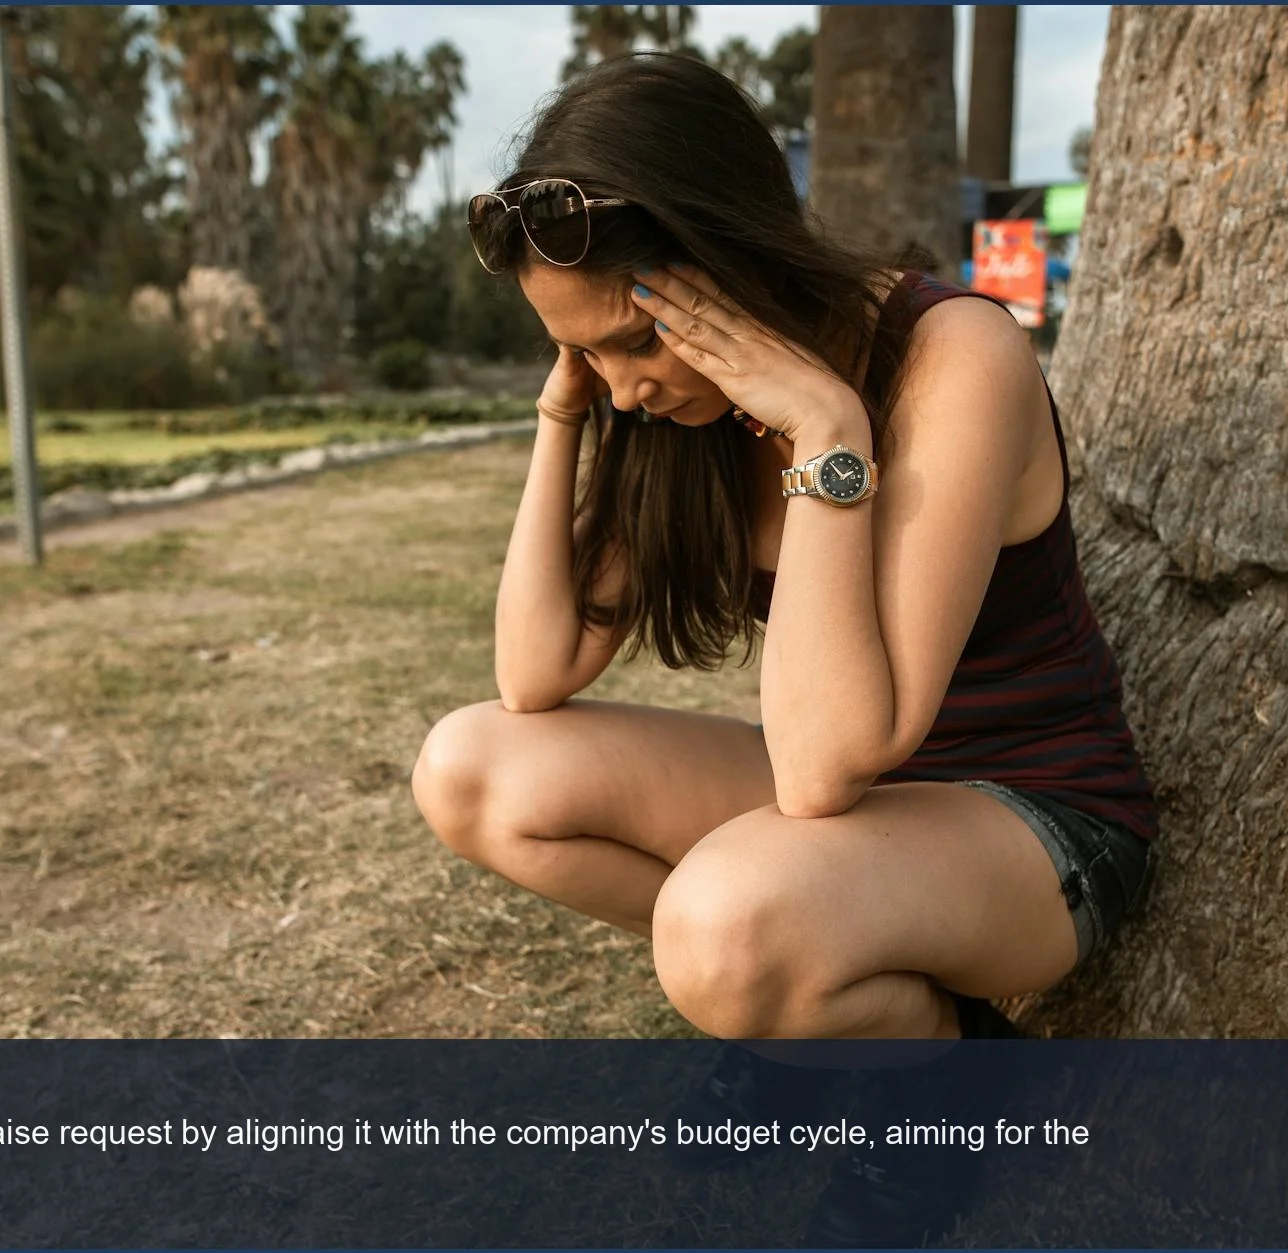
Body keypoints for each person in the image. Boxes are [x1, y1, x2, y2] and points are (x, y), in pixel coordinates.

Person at [411, 52, 1157, 1244]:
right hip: (851, 815)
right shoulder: (663, 405)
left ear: (723, 262)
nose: (624, 387)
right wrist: (563, 414)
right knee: (472, 768)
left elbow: (825, 765)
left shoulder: (953, 354)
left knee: (722, 930)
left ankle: (946, 1082)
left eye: (630, 343)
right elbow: (532, 672)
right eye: (583, 352)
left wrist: (824, 428)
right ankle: (804, 1021)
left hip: (1031, 814)